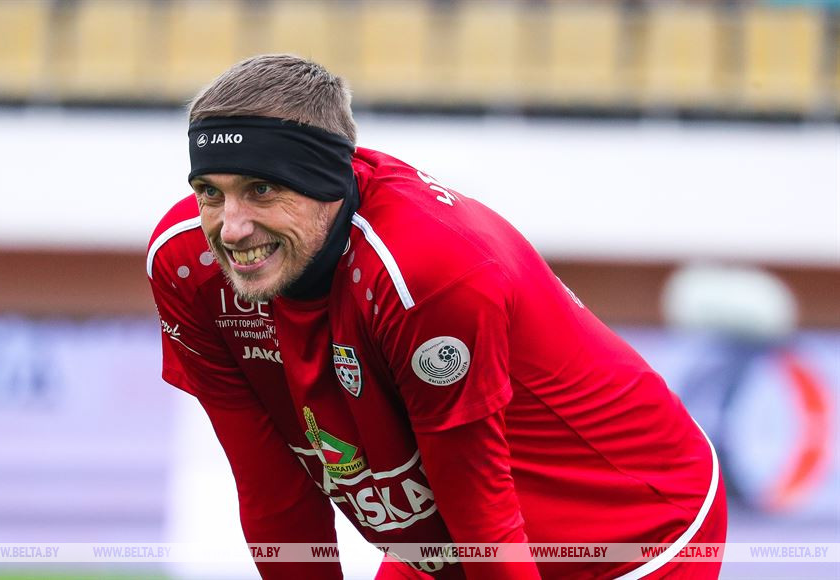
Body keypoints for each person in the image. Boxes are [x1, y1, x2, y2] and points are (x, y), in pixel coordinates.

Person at [147, 54, 727, 579]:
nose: (232, 228)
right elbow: (274, 494)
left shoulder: (422, 274)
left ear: (326, 183)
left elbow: (483, 523)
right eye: (210, 192)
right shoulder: (187, 265)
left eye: (262, 189)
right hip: (448, 544)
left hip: (632, 535)